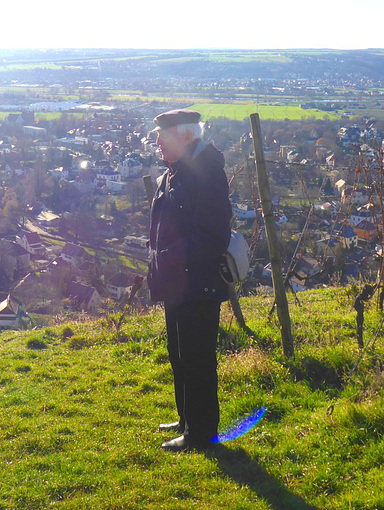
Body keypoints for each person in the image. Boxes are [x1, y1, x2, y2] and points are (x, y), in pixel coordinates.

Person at [147, 109, 232, 451]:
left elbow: (213, 234)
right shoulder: (175, 173)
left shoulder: (207, 173)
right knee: (179, 354)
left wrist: (169, 257)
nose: (157, 143)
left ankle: (201, 434)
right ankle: (186, 420)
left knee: (197, 358)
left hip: (198, 282)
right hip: (176, 283)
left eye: (163, 137)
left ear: (185, 137)